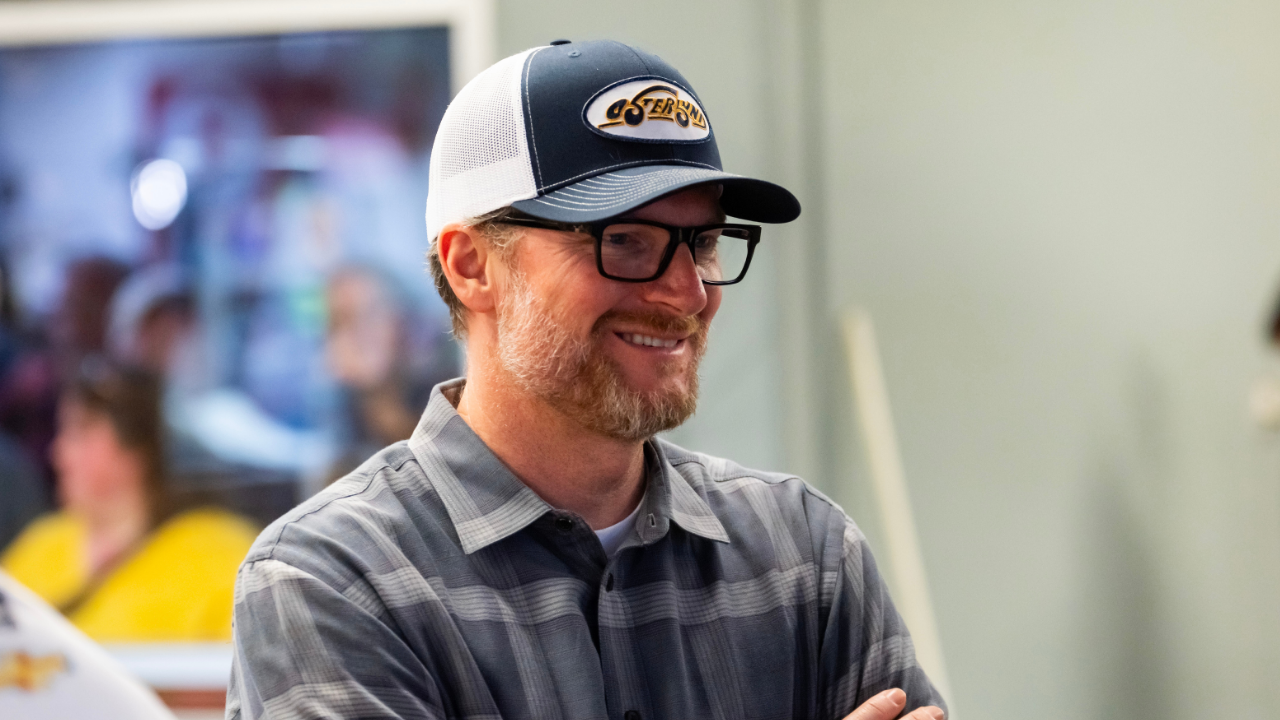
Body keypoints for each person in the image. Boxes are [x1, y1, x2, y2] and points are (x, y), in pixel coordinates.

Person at [228, 40, 947, 720]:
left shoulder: (805, 557)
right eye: (624, 241)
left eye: (700, 243)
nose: (687, 293)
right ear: (471, 266)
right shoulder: (335, 582)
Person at [1, 356, 259, 642]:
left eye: (80, 433)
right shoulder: (39, 547)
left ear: (137, 448)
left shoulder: (219, 551)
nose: (59, 453)